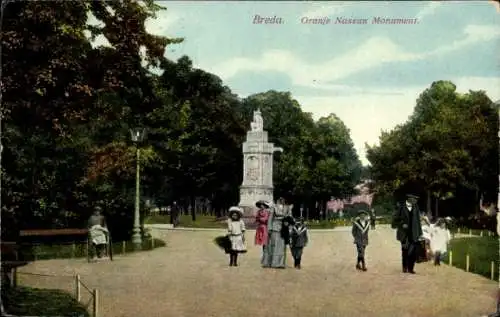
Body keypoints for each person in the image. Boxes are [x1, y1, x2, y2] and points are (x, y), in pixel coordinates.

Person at [391, 193, 423, 274]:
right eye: (414, 199)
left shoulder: (416, 207)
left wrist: (420, 233)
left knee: (413, 251)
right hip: (404, 233)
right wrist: (402, 224)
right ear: (409, 198)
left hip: (414, 233)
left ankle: (411, 268)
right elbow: (394, 220)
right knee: (405, 250)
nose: (416, 200)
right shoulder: (401, 207)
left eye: (416, 199)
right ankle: (404, 267)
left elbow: (418, 221)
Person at [262, 197, 291, 268]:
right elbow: (270, 218)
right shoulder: (273, 207)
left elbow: (290, 217)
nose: (281, 200)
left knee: (281, 246)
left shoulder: (287, 208)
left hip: (284, 228)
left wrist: (289, 225)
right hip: (275, 227)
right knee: (273, 245)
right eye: (280, 199)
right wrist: (269, 228)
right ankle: (271, 262)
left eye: (283, 199)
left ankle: (280, 263)